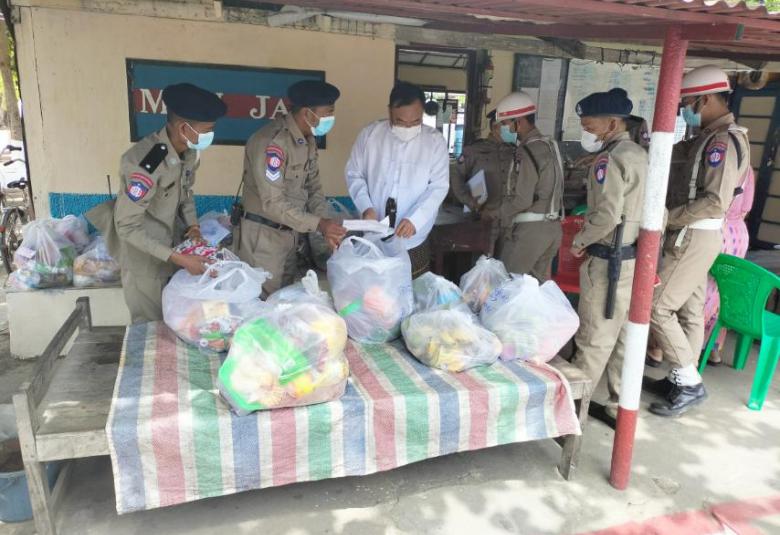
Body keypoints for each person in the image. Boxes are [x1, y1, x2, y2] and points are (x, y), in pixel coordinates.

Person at [649, 65, 750, 417]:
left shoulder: (722, 141)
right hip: (696, 234)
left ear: (704, 99)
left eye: (686, 104)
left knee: (657, 306)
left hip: (694, 234)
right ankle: (680, 378)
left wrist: (666, 217)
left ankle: (689, 383)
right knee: (690, 310)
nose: (684, 111)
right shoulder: (710, 136)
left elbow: (715, 201)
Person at [87, 83, 227, 324]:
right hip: (144, 262)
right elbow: (126, 226)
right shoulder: (145, 164)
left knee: (178, 323)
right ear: (184, 128)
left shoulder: (188, 152)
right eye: (208, 130)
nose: (211, 136)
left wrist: (193, 227)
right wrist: (181, 259)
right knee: (151, 327)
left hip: (172, 250)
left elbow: (186, 193)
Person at [569, 88, 647, 426]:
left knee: (594, 339)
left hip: (607, 262)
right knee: (625, 339)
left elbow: (606, 216)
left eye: (589, 126)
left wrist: (579, 241)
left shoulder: (609, 159)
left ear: (612, 123)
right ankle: (619, 406)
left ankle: (573, 413)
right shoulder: (639, 154)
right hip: (633, 258)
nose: (586, 132)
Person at [237, 80, 346, 295]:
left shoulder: (307, 141)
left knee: (283, 301)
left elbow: (314, 189)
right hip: (264, 240)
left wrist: (327, 228)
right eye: (328, 113)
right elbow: (272, 203)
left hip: (290, 236)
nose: (331, 119)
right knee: (262, 303)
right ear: (307, 113)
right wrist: (319, 224)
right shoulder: (272, 144)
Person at [345, 81, 449, 277]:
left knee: (410, 286)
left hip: (413, 238)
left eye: (415, 122)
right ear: (389, 111)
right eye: (400, 122)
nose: (408, 127)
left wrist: (415, 219)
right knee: (374, 287)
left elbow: (438, 186)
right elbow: (354, 174)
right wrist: (366, 207)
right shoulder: (370, 135)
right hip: (374, 232)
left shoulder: (434, 142)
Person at [494, 91, 565, 281]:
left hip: (530, 233)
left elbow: (522, 200)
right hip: (553, 229)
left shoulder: (527, 151)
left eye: (505, 123)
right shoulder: (549, 145)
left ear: (519, 122)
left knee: (508, 286)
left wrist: (498, 213)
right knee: (534, 289)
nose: (503, 129)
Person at [450, 109, 514, 222]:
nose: (513, 129)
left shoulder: (513, 151)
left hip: (507, 218)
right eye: (507, 126)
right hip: (481, 217)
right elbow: (456, 174)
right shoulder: (475, 149)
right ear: (495, 127)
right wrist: (469, 201)